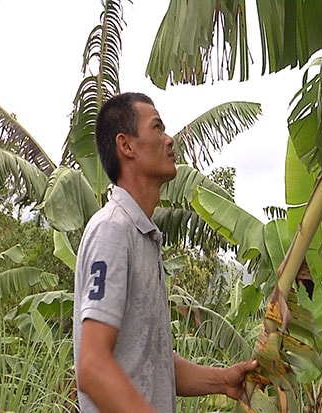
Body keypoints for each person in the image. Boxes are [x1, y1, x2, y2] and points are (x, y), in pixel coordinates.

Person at [73, 92, 257, 412]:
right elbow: (92, 367)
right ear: (126, 145)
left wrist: (223, 381)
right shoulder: (113, 230)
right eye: (157, 128)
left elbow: (150, 360)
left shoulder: (143, 236)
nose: (170, 139)